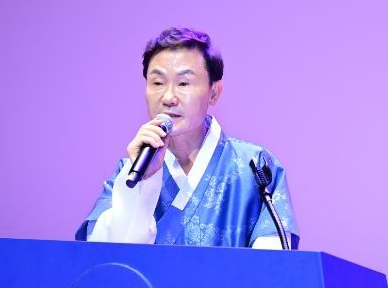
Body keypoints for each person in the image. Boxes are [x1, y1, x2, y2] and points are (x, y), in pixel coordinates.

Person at [75, 27, 299, 249]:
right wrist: (143, 183)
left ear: (214, 92)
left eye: (183, 84)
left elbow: (273, 265)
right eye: (157, 83)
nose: (168, 97)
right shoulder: (130, 172)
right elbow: (104, 259)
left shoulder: (255, 166)